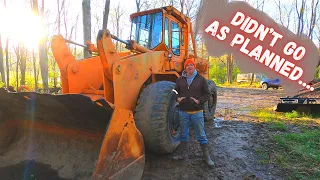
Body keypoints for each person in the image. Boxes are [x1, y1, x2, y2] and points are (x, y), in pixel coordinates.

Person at [172, 58, 214, 166]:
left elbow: (208, 94)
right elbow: (175, 91)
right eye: (187, 65)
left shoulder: (201, 79)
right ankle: (182, 154)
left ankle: (207, 158)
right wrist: (177, 98)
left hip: (197, 112)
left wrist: (199, 100)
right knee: (183, 134)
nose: (189, 67)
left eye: (191, 65)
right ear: (185, 67)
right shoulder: (180, 79)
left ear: (194, 67)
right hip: (183, 112)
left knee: (201, 135)